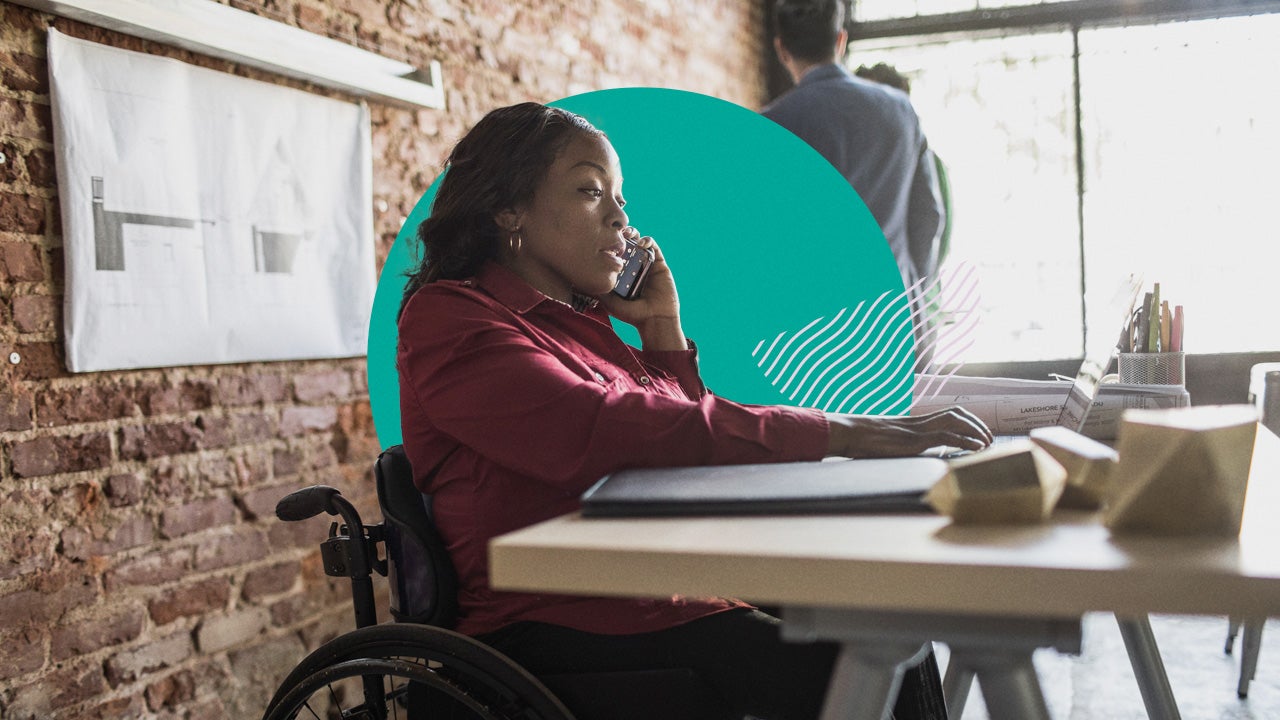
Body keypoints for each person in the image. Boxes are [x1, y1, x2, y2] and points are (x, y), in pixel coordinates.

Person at [396, 101, 991, 719]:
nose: (622, 216)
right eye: (590, 191)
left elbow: (682, 443)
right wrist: (852, 433)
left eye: (620, 196)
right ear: (508, 209)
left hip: (653, 587)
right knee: (868, 667)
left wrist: (662, 325)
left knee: (887, 620)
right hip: (551, 622)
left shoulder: (582, 327)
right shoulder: (449, 319)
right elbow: (613, 431)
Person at [762, 0, 945, 369]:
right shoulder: (900, 110)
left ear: (781, 49)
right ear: (841, 40)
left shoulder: (772, 125)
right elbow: (930, 215)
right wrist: (915, 291)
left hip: (814, 334)